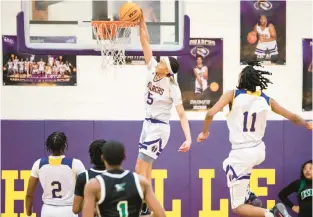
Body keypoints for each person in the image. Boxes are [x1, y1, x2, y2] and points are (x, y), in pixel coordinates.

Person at [197, 60, 312, 217]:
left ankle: (272, 213)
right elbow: (292, 117)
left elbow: (210, 113)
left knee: (237, 207)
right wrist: (307, 125)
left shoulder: (232, 94)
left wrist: (204, 132)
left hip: (242, 153)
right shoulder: (266, 99)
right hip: (259, 150)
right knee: (227, 165)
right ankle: (248, 193)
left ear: (242, 80)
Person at [137, 11, 192, 215]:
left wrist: (188, 138)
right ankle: (146, 206)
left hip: (159, 128)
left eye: (163, 63)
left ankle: (141, 205)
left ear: (167, 71)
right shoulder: (152, 68)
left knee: (139, 169)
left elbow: (182, 115)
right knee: (147, 170)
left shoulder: (173, 88)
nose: (159, 62)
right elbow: (145, 42)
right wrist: (140, 22)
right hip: (147, 124)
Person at [82, 140, 166, 217]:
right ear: (124, 157)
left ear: (103, 157)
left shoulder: (94, 185)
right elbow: (160, 214)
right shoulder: (141, 182)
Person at [25, 132, 86, 217]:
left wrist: (29, 214)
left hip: (47, 210)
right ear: (64, 146)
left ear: (49, 147)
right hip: (68, 210)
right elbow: (87, 189)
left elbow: (29, 194)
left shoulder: (39, 164)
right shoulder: (75, 164)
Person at [73, 140, 107, 215]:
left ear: (91, 156)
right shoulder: (119, 176)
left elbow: (75, 209)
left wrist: (90, 202)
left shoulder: (83, 177)